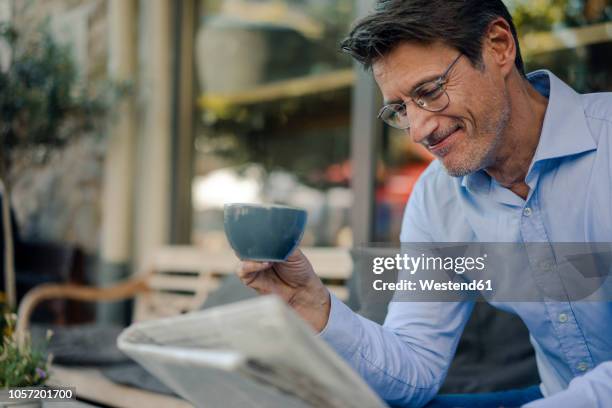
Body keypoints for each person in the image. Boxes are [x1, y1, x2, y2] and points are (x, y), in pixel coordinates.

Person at [235, 1, 612, 406]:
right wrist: (312, 304)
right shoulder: (438, 196)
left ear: (499, 46)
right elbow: (415, 367)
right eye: (400, 109)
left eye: (429, 91)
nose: (418, 131)